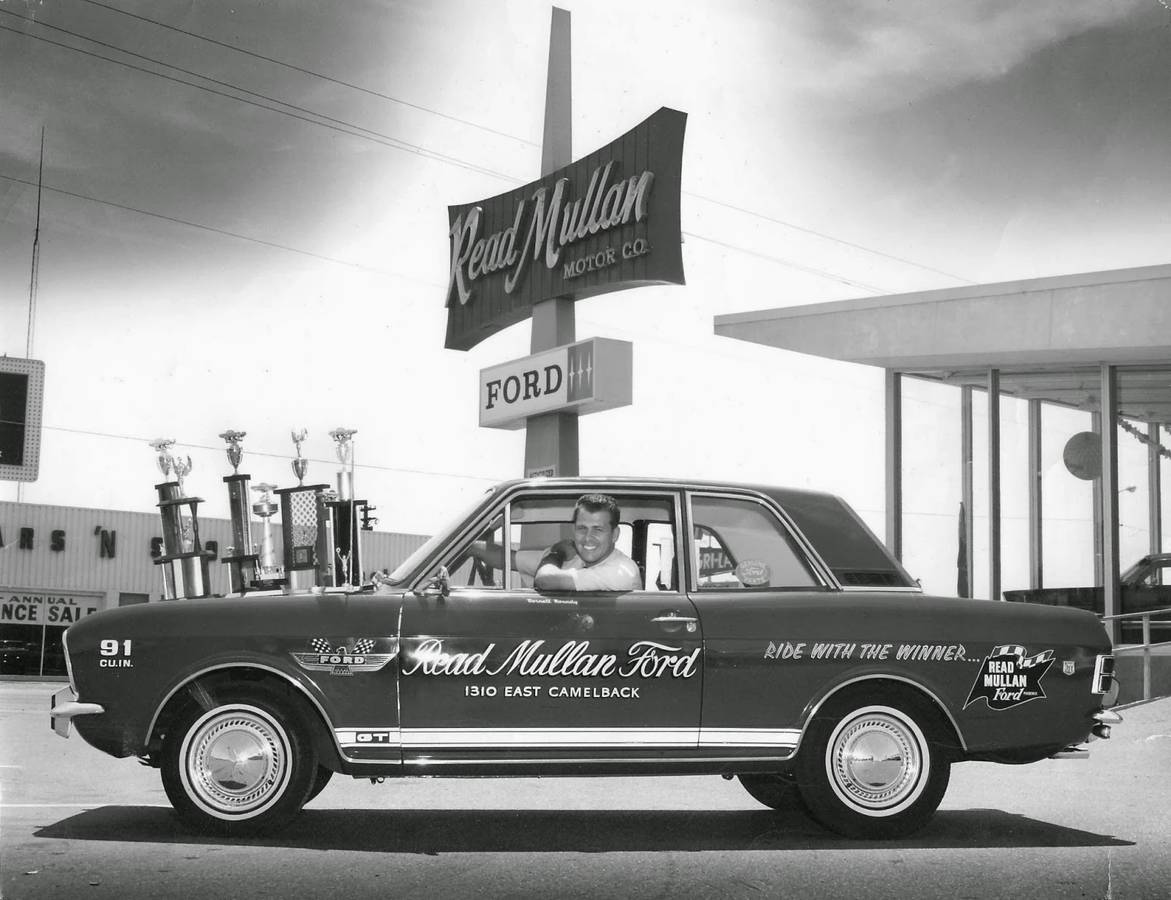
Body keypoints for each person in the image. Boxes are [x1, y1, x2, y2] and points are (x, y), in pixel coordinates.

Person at [468, 493, 642, 591]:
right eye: (582, 528)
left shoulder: (621, 571)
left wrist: (556, 553)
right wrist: (470, 548)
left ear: (614, 535)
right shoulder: (572, 557)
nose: (588, 538)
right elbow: (506, 558)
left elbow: (544, 580)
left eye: (598, 529)